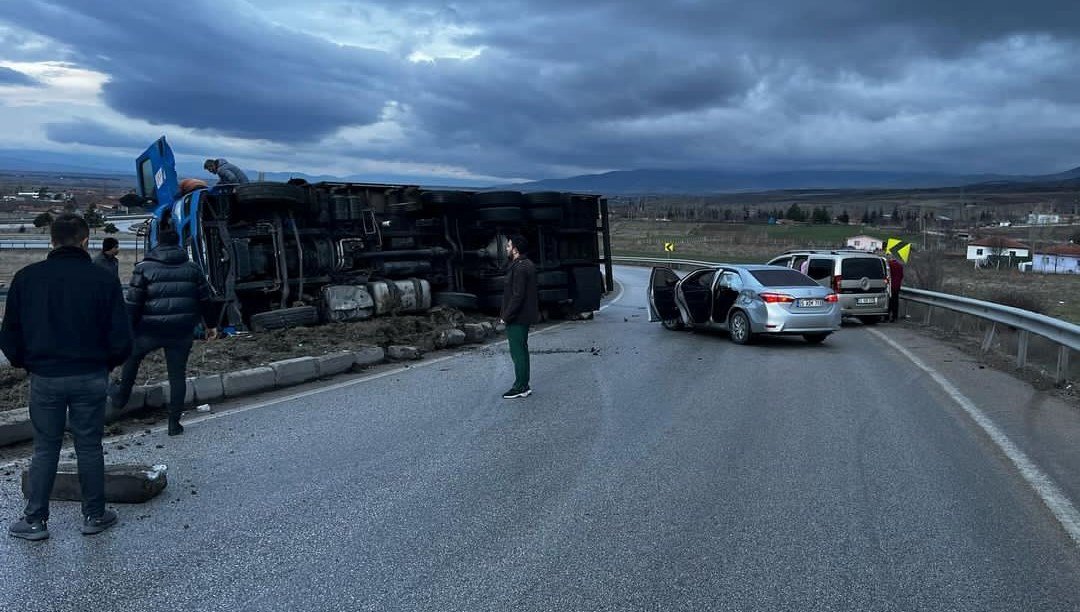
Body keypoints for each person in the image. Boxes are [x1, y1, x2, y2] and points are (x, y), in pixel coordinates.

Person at [0, 214, 133, 541]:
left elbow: (9, 336)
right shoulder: (103, 279)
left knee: (45, 448)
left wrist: (27, 363)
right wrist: (107, 364)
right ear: (86, 240)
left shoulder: (26, 278)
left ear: (51, 240)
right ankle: (94, 515)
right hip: (90, 375)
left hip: (45, 377)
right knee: (89, 445)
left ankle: (35, 520)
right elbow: (122, 338)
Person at [110, 227, 218, 436]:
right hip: (181, 331)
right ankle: (174, 424)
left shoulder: (144, 268)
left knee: (132, 359)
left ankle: (121, 397)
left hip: (149, 330)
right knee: (177, 375)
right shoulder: (193, 268)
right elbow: (205, 300)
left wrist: (127, 329)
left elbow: (133, 304)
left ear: (157, 243)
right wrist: (211, 325)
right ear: (177, 243)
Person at [498, 234, 539, 399]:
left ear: (515, 249)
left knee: (518, 352)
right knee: (522, 350)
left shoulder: (520, 268)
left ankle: (520, 386)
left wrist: (506, 316)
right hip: (523, 316)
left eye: (508, 246)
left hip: (517, 317)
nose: (506, 249)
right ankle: (524, 384)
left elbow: (518, 296)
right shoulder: (526, 264)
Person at [887, 252, 905, 322]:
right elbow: (901, 276)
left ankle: (887, 316)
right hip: (897, 286)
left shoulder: (889, 265)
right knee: (896, 301)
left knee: (890, 301)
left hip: (890, 286)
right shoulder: (900, 266)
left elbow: (887, 275)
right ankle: (895, 316)